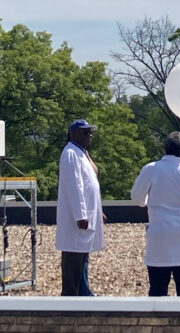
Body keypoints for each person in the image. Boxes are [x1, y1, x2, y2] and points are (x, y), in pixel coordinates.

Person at [130, 131, 180, 296]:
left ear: (164, 149)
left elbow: (137, 198)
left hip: (160, 236)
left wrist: (147, 202)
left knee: (157, 291)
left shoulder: (151, 169)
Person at [55, 119, 105, 296]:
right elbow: (75, 186)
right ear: (73, 134)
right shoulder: (70, 154)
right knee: (74, 260)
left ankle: (83, 293)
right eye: (85, 132)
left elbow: (89, 186)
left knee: (83, 257)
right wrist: (80, 215)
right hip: (77, 219)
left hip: (87, 215)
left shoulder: (81, 153)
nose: (89, 136)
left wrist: (99, 211)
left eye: (90, 132)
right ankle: (71, 297)